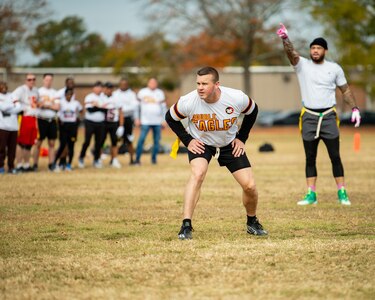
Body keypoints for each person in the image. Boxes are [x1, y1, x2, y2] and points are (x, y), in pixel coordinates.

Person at [165, 66, 268, 240]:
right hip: (202, 143)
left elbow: (253, 111)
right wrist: (188, 141)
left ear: (217, 84)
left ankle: (252, 222)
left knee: (249, 186)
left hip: (228, 143)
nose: (200, 87)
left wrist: (242, 138)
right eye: (198, 83)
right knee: (197, 174)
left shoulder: (236, 98)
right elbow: (170, 118)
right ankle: (186, 225)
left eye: (205, 83)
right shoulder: (188, 101)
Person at [276, 23, 361, 206]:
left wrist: (355, 109)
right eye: (313, 48)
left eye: (319, 48)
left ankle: (342, 193)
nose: (315, 51)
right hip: (309, 117)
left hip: (329, 116)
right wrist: (285, 39)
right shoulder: (302, 66)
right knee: (310, 157)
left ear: (325, 51)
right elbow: (291, 54)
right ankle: (311, 195)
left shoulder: (335, 68)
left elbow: (345, 90)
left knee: (335, 156)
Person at [135, 78, 167, 165]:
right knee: (141, 140)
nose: (152, 84)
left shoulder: (160, 93)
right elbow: (137, 107)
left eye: (154, 82)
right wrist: (137, 118)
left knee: (156, 141)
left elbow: (164, 108)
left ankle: (154, 159)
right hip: (145, 121)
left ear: (156, 84)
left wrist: (164, 120)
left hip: (157, 122)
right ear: (148, 83)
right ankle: (137, 159)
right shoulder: (142, 92)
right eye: (151, 82)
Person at [12, 73, 39, 172]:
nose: (31, 81)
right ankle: (19, 165)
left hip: (33, 118)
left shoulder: (36, 91)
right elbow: (13, 97)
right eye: (29, 79)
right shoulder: (21, 89)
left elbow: (37, 102)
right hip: (24, 118)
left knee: (30, 143)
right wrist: (19, 108)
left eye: (33, 79)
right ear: (26, 80)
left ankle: (27, 165)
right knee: (21, 142)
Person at [33, 73, 60, 171]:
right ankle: (35, 164)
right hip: (41, 120)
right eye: (47, 80)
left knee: (52, 143)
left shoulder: (55, 92)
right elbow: (37, 105)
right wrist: (50, 105)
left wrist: (46, 105)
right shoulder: (38, 91)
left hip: (52, 120)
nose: (48, 82)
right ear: (43, 80)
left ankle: (51, 164)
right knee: (38, 143)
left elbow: (57, 107)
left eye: (50, 80)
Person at [78, 81, 106, 169]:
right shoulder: (89, 97)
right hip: (90, 122)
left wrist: (97, 107)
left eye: (100, 87)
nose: (99, 89)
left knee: (99, 142)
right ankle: (81, 158)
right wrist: (100, 107)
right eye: (97, 87)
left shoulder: (103, 97)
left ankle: (96, 159)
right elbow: (89, 110)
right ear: (94, 88)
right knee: (87, 141)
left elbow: (106, 110)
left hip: (100, 122)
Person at [54, 88, 82, 171]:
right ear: (65, 95)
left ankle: (69, 164)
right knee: (62, 145)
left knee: (71, 146)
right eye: (68, 94)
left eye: (71, 94)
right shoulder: (61, 103)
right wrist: (60, 121)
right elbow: (58, 114)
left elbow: (81, 111)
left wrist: (78, 119)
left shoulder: (76, 103)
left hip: (72, 126)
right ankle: (55, 163)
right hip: (64, 126)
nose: (69, 96)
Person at [113, 78, 138, 165]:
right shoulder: (115, 94)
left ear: (127, 85)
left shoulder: (132, 94)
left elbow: (134, 106)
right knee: (115, 139)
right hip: (116, 119)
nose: (123, 86)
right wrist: (123, 108)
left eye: (125, 84)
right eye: (122, 84)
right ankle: (113, 159)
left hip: (128, 119)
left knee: (129, 140)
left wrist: (122, 109)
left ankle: (132, 159)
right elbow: (114, 106)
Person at [100, 82, 124, 168]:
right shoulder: (100, 97)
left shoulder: (116, 98)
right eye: (107, 88)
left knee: (114, 142)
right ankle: (98, 159)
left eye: (110, 88)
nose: (109, 90)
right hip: (103, 123)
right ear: (104, 89)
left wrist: (121, 126)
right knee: (101, 141)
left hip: (113, 123)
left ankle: (114, 159)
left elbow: (121, 112)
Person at [0, 81, 22, 174]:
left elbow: (19, 107)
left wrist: (9, 106)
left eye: (5, 86)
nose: (4, 88)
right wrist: (12, 106)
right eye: (2, 86)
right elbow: (3, 107)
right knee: (1, 148)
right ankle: (0, 166)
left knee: (12, 149)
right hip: (2, 127)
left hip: (13, 127)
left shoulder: (12, 95)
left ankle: (11, 166)